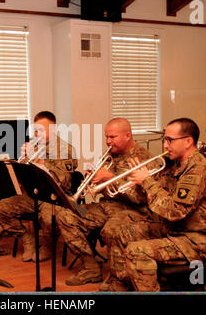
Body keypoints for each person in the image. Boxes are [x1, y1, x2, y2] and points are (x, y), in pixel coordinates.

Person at [109, 117, 206, 291]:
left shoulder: (199, 170)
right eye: (165, 140)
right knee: (120, 233)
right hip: (173, 229)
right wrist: (137, 181)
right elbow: (153, 197)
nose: (165, 145)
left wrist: (146, 181)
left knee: (136, 251)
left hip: (195, 240)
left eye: (170, 140)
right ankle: (121, 286)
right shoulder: (174, 165)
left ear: (188, 141)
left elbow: (175, 211)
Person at [56, 117, 154, 287]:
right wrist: (94, 179)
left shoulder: (143, 158)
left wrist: (111, 178)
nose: (108, 141)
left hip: (133, 211)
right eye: (106, 137)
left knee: (112, 229)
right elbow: (105, 189)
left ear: (127, 135)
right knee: (66, 215)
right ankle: (91, 267)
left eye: (113, 137)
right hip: (107, 206)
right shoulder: (110, 154)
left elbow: (140, 197)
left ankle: (118, 278)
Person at [0, 111, 78, 262]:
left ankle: (47, 246)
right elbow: (23, 176)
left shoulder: (66, 149)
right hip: (32, 195)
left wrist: (40, 161)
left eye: (42, 130)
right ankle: (27, 238)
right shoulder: (33, 145)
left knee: (48, 218)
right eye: (36, 130)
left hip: (53, 198)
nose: (37, 134)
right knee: (0, 209)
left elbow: (64, 180)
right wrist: (20, 163)